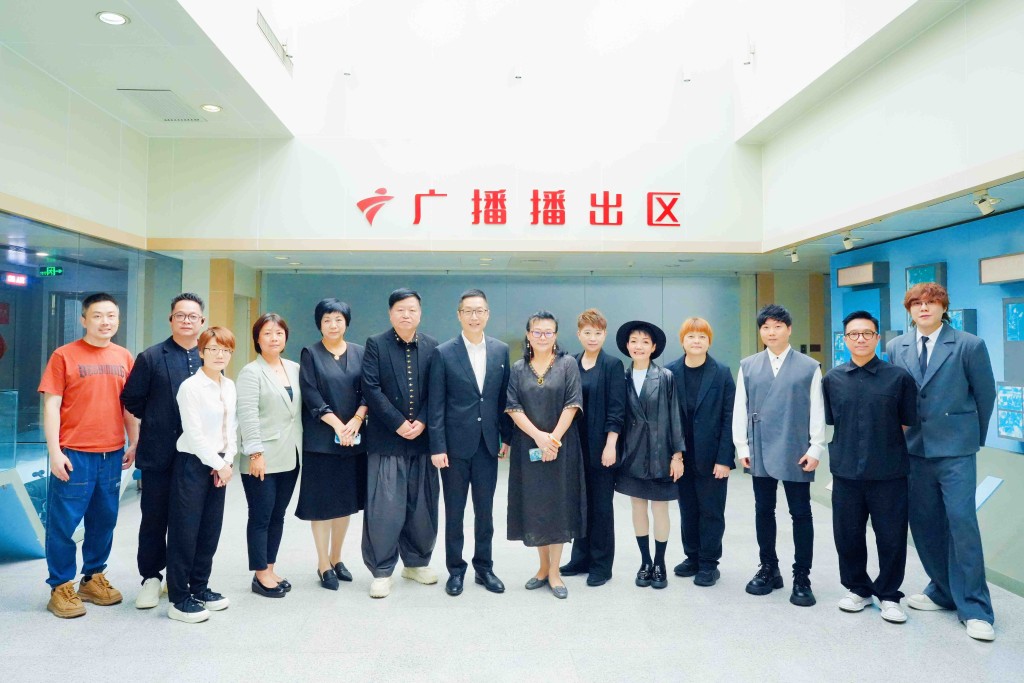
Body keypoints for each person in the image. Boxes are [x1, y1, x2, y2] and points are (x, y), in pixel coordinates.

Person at [886, 283, 998, 641]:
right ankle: (944, 590)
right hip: (914, 449)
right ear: (909, 309)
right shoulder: (897, 346)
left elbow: (985, 395)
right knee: (924, 525)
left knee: (962, 523)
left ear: (943, 307)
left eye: (931, 302)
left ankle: (975, 608)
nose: (924, 308)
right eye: (917, 303)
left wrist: (971, 439)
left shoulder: (968, 345)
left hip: (955, 450)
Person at [39, 292, 138, 618]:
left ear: (118, 320)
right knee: (63, 524)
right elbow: (51, 405)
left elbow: (129, 406)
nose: (105, 322)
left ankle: (93, 577)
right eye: (97, 316)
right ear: (84, 320)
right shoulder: (64, 356)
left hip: (111, 454)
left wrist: (134, 441)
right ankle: (60, 585)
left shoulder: (124, 357)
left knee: (104, 521)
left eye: (111, 316)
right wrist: (55, 451)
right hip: (74, 454)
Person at [824, 310, 918, 625]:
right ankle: (859, 589)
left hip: (889, 472)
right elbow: (833, 420)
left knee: (891, 537)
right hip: (846, 472)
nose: (860, 339)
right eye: (854, 334)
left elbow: (906, 421)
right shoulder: (832, 379)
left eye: (867, 333)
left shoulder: (898, 378)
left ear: (877, 338)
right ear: (845, 340)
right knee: (847, 535)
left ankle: (889, 595)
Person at [733, 304, 827, 607]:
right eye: (766, 327)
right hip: (759, 446)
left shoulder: (809, 367)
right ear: (760, 331)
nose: (771, 332)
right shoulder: (748, 365)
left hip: (796, 447)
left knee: (801, 512)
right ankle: (769, 568)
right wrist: (742, 446)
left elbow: (817, 409)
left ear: (789, 329)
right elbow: (740, 408)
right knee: (763, 510)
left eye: (777, 326)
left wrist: (816, 447)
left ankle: (802, 576)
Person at [121, 292, 205, 609]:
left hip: (196, 456)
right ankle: (151, 578)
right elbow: (131, 399)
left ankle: (179, 578)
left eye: (192, 316)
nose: (186, 320)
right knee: (154, 519)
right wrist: (158, 418)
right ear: (170, 320)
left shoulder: (208, 356)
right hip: (159, 453)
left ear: (202, 321)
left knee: (188, 521)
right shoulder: (151, 357)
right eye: (180, 315)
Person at [428, 289, 511, 597]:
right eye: (468, 311)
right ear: (459, 315)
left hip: (488, 444)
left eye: (480, 311)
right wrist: (437, 446)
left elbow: (503, 399)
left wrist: (506, 437)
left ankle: (484, 568)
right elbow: (436, 404)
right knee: (455, 511)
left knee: (485, 512)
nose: (474, 316)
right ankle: (456, 570)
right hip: (453, 447)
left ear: (487, 314)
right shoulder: (443, 353)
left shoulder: (501, 350)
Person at [361, 288, 440, 598]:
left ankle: (416, 563)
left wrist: (422, 420)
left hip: (422, 440)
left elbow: (437, 390)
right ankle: (381, 571)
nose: (406, 315)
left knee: (422, 506)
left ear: (420, 313)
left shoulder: (432, 345)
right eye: (400, 310)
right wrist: (397, 422)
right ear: (390, 313)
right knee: (385, 507)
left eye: (412, 310)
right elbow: (371, 388)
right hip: (386, 441)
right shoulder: (376, 344)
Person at [505, 311, 586, 600]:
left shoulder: (567, 365)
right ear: (528, 335)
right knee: (535, 506)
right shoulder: (518, 368)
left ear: (556, 335)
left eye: (548, 332)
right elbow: (513, 407)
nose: (542, 337)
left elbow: (573, 403)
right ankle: (541, 568)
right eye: (537, 332)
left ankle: (555, 572)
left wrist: (553, 439)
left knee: (558, 506)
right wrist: (539, 437)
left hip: (562, 448)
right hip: (529, 447)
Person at [166, 327, 237, 623]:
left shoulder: (229, 385)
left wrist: (227, 461)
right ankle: (178, 598)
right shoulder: (191, 387)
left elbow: (231, 428)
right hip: (193, 464)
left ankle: (199, 587)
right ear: (201, 352)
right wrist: (218, 464)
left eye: (226, 350)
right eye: (213, 349)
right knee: (185, 531)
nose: (220, 355)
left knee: (210, 530)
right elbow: (193, 434)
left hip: (220, 464)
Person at [296, 299, 367, 590]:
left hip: (354, 439)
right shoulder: (310, 354)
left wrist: (357, 420)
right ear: (319, 324)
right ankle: (323, 563)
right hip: (321, 442)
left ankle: (337, 558)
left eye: (338, 319)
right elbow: (311, 393)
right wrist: (339, 425)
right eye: (327, 320)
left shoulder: (360, 352)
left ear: (346, 322)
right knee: (322, 505)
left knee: (345, 503)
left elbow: (369, 390)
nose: (333, 325)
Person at [665, 317, 736, 588]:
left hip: (713, 457)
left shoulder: (721, 373)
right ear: (682, 341)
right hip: (682, 456)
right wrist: (674, 455)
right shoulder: (670, 372)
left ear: (709, 341)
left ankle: (709, 563)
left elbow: (729, 418)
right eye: (691, 336)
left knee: (711, 511)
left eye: (702, 337)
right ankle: (692, 557)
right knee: (688, 509)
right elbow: (666, 417)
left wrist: (724, 459)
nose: (696, 341)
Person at [615, 321, 685, 590]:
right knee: (637, 506)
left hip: (660, 453)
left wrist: (677, 455)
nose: (639, 346)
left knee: (660, 508)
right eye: (634, 341)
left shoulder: (665, 376)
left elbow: (675, 416)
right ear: (627, 346)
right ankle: (645, 561)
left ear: (654, 347)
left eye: (645, 342)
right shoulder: (621, 377)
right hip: (631, 453)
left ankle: (660, 562)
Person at [237, 313, 302, 598]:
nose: (274, 338)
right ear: (257, 339)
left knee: (278, 514)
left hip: (290, 454)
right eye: (267, 333)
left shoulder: (294, 368)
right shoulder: (251, 372)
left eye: (279, 333)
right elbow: (247, 415)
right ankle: (260, 573)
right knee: (261, 515)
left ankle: (270, 567)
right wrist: (255, 453)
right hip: (262, 457)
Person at [560, 309, 625, 587]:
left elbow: (617, 409)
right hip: (574, 448)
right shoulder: (570, 362)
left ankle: (601, 565)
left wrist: (611, 445)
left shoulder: (612, 365)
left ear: (604, 334)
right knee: (579, 504)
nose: (593, 337)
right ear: (578, 334)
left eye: (598, 333)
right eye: (587, 332)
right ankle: (580, 558)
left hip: (602, 448)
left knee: (601, 507)